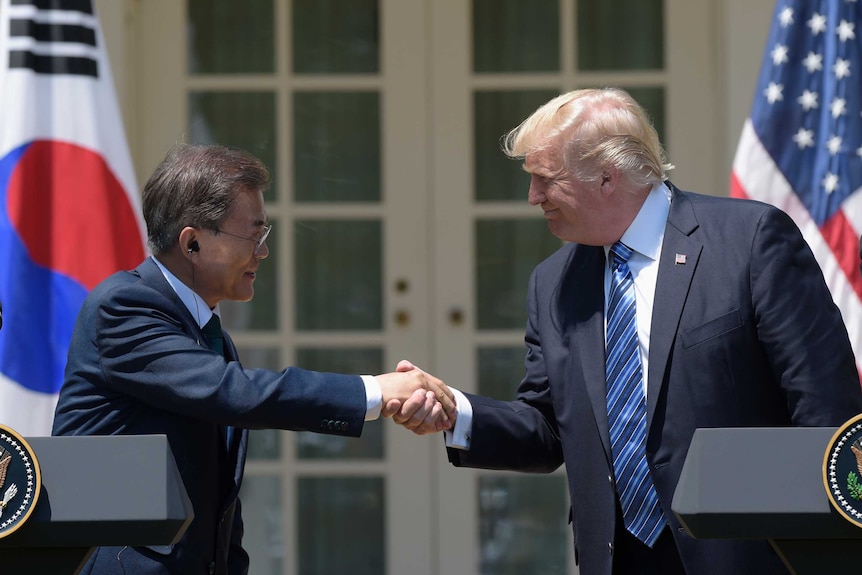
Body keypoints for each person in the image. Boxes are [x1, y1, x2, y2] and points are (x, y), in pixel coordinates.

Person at [393, 87, 862, 575]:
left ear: (605, 176)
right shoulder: (553, 283)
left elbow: (825, 408)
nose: (533, 197)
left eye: (544, 179)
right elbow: (547, 429)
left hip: (746, 553)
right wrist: (455, 412)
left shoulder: (749, 241)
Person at [52, 143, 454, 575]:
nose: (262, 252)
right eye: (254, 235)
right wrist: (374, 390)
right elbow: (233, 392)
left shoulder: (210, 334)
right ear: (193, 243)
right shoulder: (125, 306)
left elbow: (218, 495)